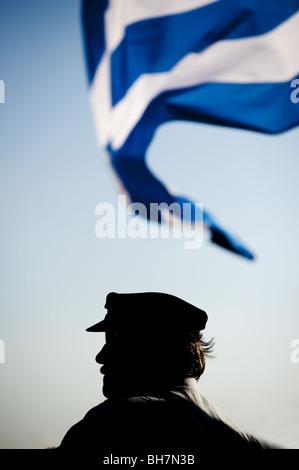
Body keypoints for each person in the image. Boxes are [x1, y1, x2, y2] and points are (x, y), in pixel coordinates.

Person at [58, 291, 273, 462]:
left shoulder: (114, 421)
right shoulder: (240, 439)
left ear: (155, 348)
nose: (100, 357)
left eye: (116, 341)